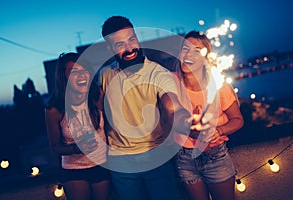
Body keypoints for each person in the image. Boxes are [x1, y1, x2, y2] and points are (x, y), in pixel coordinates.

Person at [98, 16, 209, 200]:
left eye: (132, 39)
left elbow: (172, 108)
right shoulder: (105, 75)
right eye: (120, 44)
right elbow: (97, 111)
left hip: (156, 157)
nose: (129, 48)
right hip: (120, 161)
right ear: (109, 47)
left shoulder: (159, 74)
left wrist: (188, 122)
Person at [173, 31, 244, 200]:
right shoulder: (170, 82)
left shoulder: (218, 85)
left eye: (196, 50)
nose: (189, 54)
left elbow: (238, 120)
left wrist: (218, 130)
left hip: (215, 157)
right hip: (185, 157)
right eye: (185, 49)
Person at [45, 52, 110, 200]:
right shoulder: (54, 109)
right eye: (74, 72)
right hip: (74, 170)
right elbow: (55, 147)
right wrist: (76, 148)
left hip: (101, 164)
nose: (81, 75)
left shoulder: (97, 96)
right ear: (64, 78)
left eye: (84, 70)